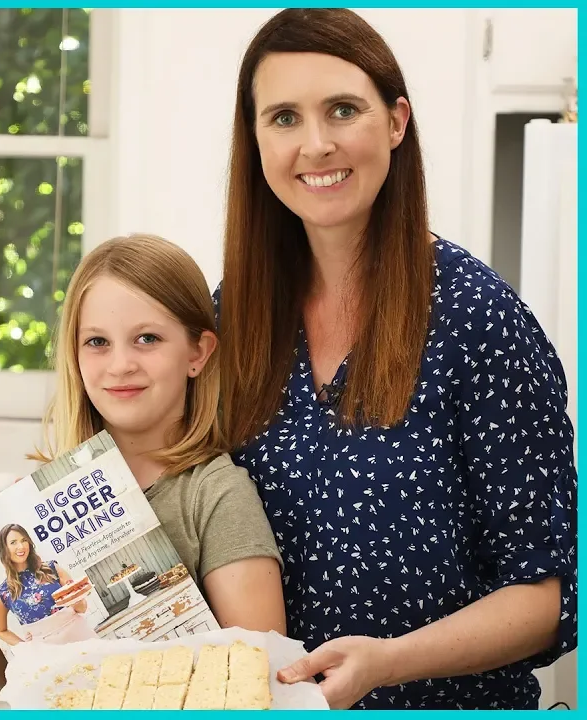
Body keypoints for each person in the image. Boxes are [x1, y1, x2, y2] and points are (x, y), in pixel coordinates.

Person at [214, 8, 578, 710]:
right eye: (283, 117)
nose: (315, 144)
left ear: (396, 122)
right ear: (255, 140)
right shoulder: (234, 316)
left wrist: (390, 663)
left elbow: (550, 594)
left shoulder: (479, 320)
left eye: (342, 110)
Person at [0, 234, 287, 690]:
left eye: (147, 338)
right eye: (97, 342)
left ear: (196, 353)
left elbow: (260, 679)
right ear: (75, 355)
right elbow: (13, 679)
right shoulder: (40, 498)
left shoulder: (213, 494)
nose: (120, 364)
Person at [0, 524, 95, 646]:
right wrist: (26, 647)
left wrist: (77, 599)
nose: (21, 546)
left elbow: (82, 608)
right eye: (13, 542)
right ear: (5, 549)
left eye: (24, 540)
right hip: (47, 650)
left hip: (79, 635)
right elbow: (0, 631)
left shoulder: (52, 569)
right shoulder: (3, 593)